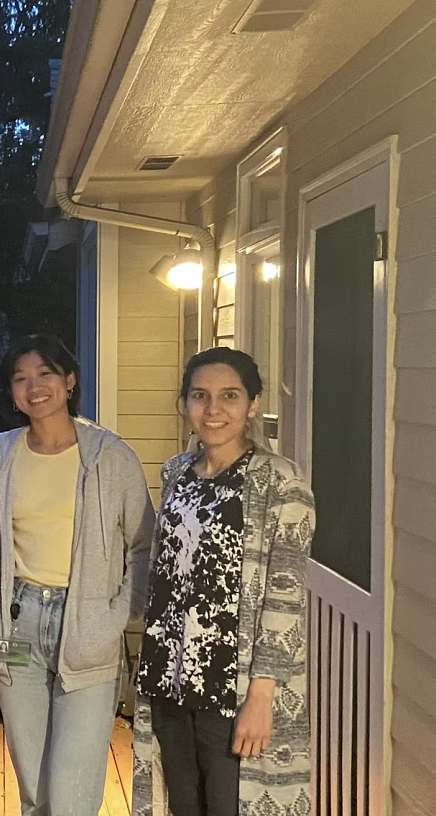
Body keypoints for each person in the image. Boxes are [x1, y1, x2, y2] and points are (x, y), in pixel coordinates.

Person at [0, 334, 154, 816]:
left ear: (70, 381)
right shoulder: (1, 454)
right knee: (34, 787)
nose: (34, 387)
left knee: (72, 794)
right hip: (17, 627)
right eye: (20, 378)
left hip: (86, 627)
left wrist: (115, 618)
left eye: (45, 374)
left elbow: (143, 545)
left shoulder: (109, 457)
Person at [132, 347, 314, 816]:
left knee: (230, 806)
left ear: (252, 403)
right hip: (169, 677)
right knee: (184, 805)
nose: (214, 410)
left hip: (230, 685)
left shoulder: (281, 482)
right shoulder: (176, 473)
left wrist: (262, 695)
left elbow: (285, 597)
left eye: (229, 396)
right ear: (186, 403)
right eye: (200, 396)